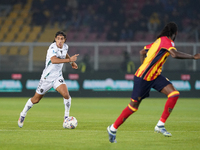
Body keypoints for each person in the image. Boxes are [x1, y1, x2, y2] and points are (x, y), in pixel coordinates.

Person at [107, 22, 200, 143]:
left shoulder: (159, 41)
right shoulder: (167, 42)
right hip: (143, 78)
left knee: (174, 94)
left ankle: (160, 125)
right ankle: (112, 128)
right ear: (175, 33)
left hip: (155, 76)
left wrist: (144, 65)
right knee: (133, 107)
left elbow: (142, 52)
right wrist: (193, 57)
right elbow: (174, 54)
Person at [18, 31, 79, 128]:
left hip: (57, 77)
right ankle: (23, 114)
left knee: (66, 95)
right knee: (36, 100)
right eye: (58, 38)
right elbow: (54, 60)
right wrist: (70, 60)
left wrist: (71, 63)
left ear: (64, 40)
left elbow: (65, 53)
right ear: (55, 39)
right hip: (47, 78)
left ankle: (66, 118)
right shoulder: (52, 48)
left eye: (62, 39)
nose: (60, 41)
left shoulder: (65, 47)